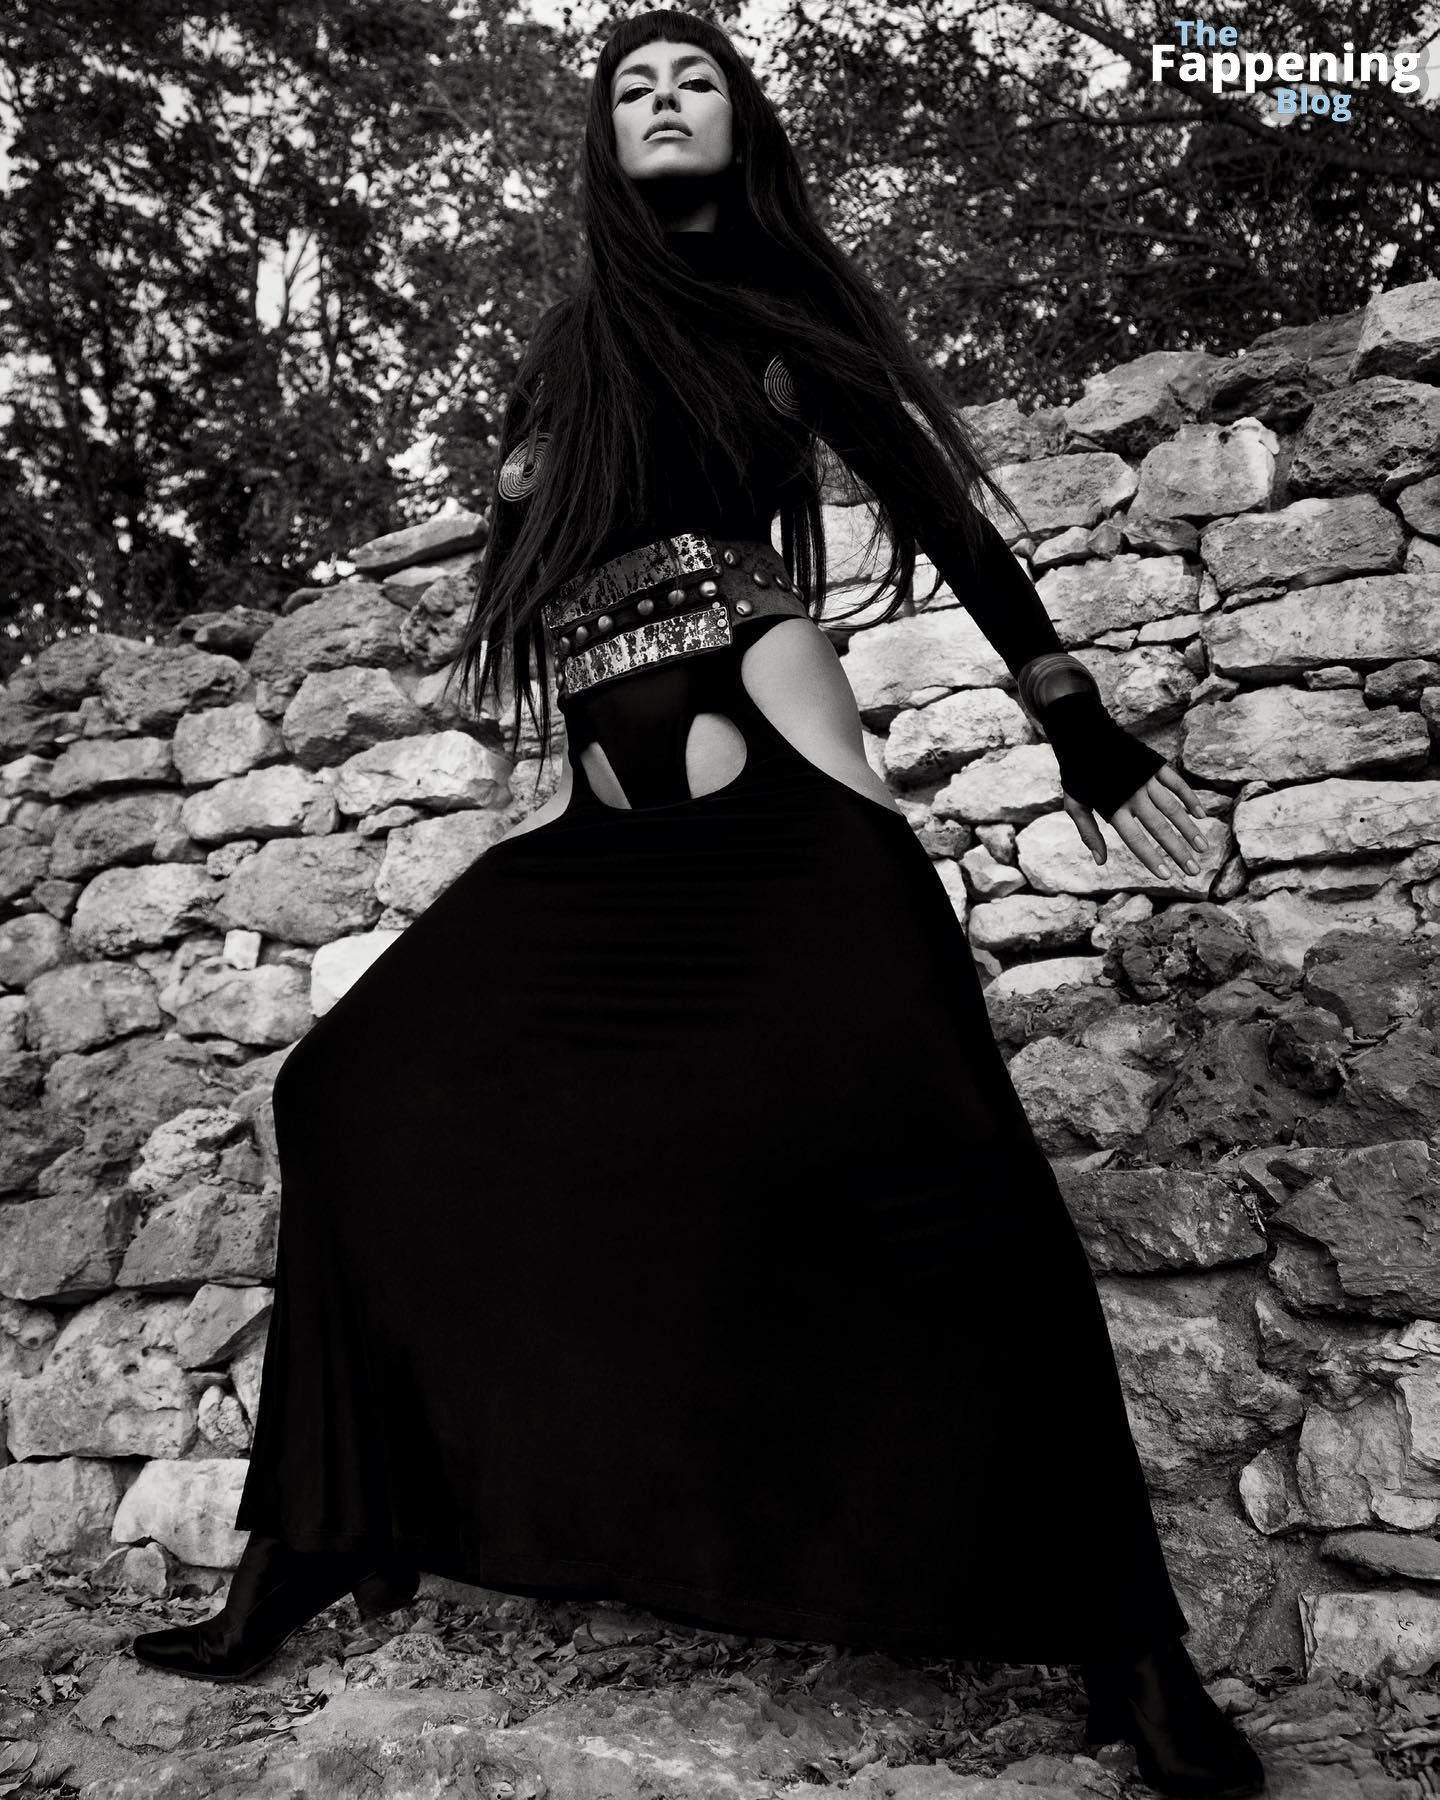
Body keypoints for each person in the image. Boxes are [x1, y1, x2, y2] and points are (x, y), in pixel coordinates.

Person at [132, 15, 1263, 1799]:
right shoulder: (571, 346)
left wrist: (1075, 717)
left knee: (954, 1180)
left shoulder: (784, 314)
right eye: (634, 88)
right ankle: (321, 1536)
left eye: (697, 81)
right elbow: (533, 552)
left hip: (777, 780)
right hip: (603, 825)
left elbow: (948, 517)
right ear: (603, 137)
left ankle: (1135, 1656)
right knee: (346, 1089)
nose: (665, 102)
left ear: (743, 124)